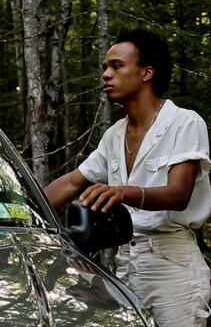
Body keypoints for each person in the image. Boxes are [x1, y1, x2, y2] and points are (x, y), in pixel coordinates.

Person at [44, 28, 211, 327]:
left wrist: (123, 192)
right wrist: (20, 213)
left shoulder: (184, 123)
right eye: (105, 67)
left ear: (147, 73)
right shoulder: (114, 135)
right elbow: (70, 183)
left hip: (173, 269)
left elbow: (179, 192)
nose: (106, 74)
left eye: (116, 66)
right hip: (124, 267)